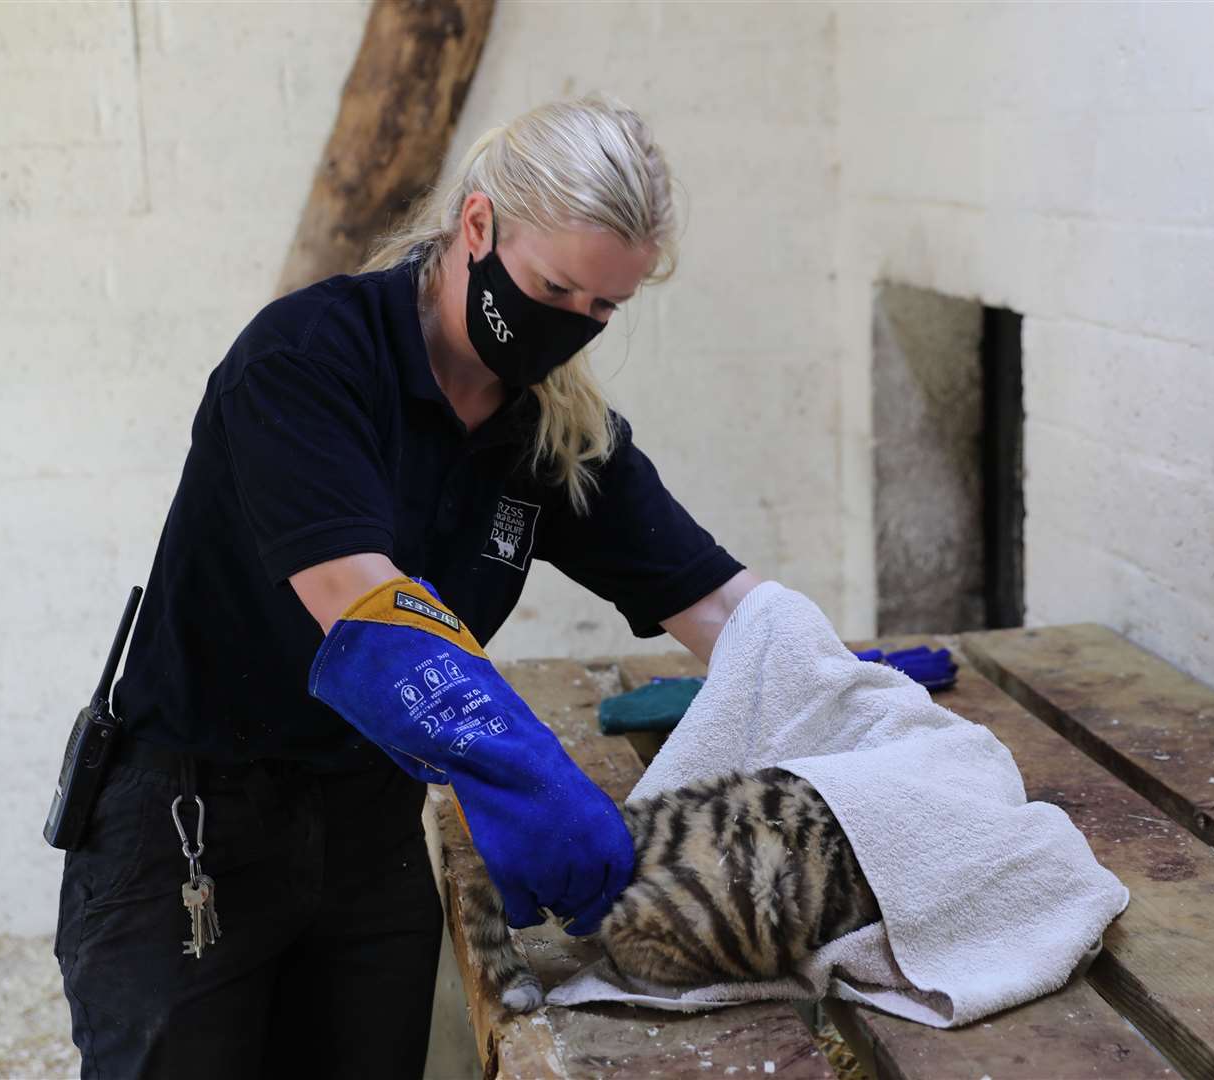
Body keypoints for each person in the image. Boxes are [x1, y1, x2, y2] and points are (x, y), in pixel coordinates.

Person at [53, 94, 761, 1078]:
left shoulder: (550, 428)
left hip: (367, 833)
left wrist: (839, 682)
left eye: (604, 309)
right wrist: (523, 769)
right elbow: (362, 605)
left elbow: (722, 605)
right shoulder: (305, 363)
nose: (571, 328)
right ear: (478, 225)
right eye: (554, 288)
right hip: (195, 825)